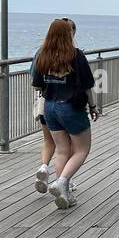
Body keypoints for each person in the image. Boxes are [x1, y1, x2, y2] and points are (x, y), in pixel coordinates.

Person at [30, 17, 99, 209]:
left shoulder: (42, 55)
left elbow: (36, 84)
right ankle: (62, 182)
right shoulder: (76, 55)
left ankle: (65, 194)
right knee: (81, 150)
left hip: (50, 107)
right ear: (68, 34)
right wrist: (92, 106)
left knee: (61, 149)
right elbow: (87, 86)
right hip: (71, 107)